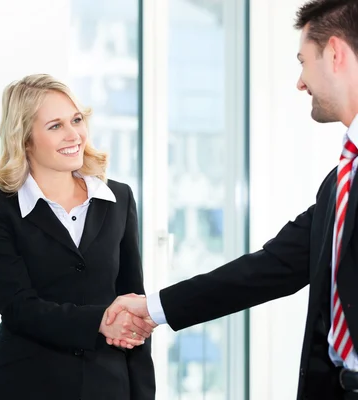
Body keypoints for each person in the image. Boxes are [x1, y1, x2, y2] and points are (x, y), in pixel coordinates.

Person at [105, 0, 358, 399]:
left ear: (336, 54)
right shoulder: (341, 182)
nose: (300, 81)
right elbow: (272, 268)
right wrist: (153, 309)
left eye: (303, 61)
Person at [0, 74, 156, 399]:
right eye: (55, 126)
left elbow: (133, 305)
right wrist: (99, 320)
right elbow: (18, 308)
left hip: (109, 387)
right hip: (26, 385)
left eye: (77, 120)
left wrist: (142, 393)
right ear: (25, 139)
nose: (74, 135)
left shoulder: (119, 199)